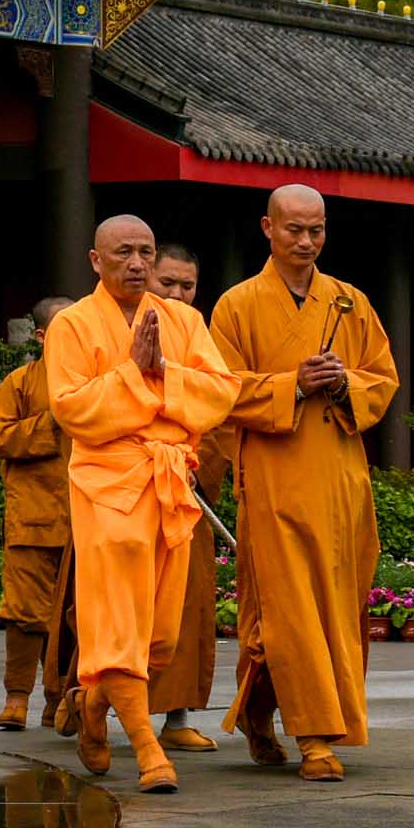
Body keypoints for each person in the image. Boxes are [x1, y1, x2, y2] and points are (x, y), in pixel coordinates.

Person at [42, 215, 241, 793]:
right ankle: (151, 753)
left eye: (145, 253)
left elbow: (220, 392)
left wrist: (162, 372)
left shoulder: (185, 321)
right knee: (117, 628)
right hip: (108, 486)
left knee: (159, 640)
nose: (136, 263)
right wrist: (137, 376)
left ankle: (94, 700)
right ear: (95, 260)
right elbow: (73, 409)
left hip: (169, 483)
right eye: (123, 252)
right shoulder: (73, 325)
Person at [210, 186, 403, 783]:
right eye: (294, 229)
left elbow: (383, 377)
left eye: (316, 230)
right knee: (287, 611)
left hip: (340, 478)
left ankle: (259, 714)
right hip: (274, 477)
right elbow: (219, 389)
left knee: (334, 608)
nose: (306, 241)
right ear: (267, 228)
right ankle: (316, 737)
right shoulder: (236, 306)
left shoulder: (349, 301)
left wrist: (344, 383)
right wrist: (291, 383)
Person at [145, 243, 229, 755]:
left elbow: (221, 409)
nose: (178, 294)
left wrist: (199, 467)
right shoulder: (120, 328)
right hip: (131, 490)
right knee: (115, 606)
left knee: (187, 607)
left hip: (187, 492)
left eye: (187, 285)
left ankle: (175, 717)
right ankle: (82, 698)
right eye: (167, 283)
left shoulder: (202, 339)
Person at [0, 296, 79, 734]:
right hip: (34, 517)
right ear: (41, 336)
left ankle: (59, 701)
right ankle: (16, 697)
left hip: (84, 521)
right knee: (23, 613)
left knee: (76, 619)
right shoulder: (20, 382)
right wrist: (51, 423)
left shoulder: (94, 380)